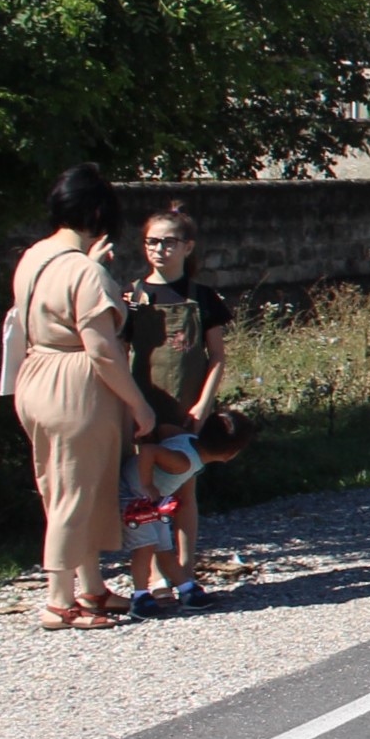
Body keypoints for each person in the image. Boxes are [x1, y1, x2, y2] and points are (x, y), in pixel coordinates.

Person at [8, 167, 156, 628]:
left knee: (66, 486)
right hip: (75, 384)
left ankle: (90, 586)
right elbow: (102, 350)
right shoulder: (86, 271)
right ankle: (59, 599)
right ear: (97, 212)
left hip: (35, 374)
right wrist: (139, 404)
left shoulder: (36, 255)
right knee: (77, 491)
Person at [123, 201, 234, 605]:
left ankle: (186, 570)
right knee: (148, 492)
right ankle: (155, 575)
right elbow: (119, 351)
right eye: (152, 242)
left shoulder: (204, 297)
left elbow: (217, 356)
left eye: (168, 242)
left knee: (185, 492)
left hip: (189, 407)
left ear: (187, 247)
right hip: (145, 406)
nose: (159, 250)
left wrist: (204, 405)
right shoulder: (133, 296)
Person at [121, 409, 255, 615]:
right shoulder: (183, 461)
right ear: (230, 455)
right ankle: (140, 597)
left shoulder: (188, 440)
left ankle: (186, 588)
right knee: (144, 546)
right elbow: (148, 451)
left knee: (164, 546)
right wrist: (147, 485)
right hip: (133, 498)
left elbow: (164, 431)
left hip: (151, 503)